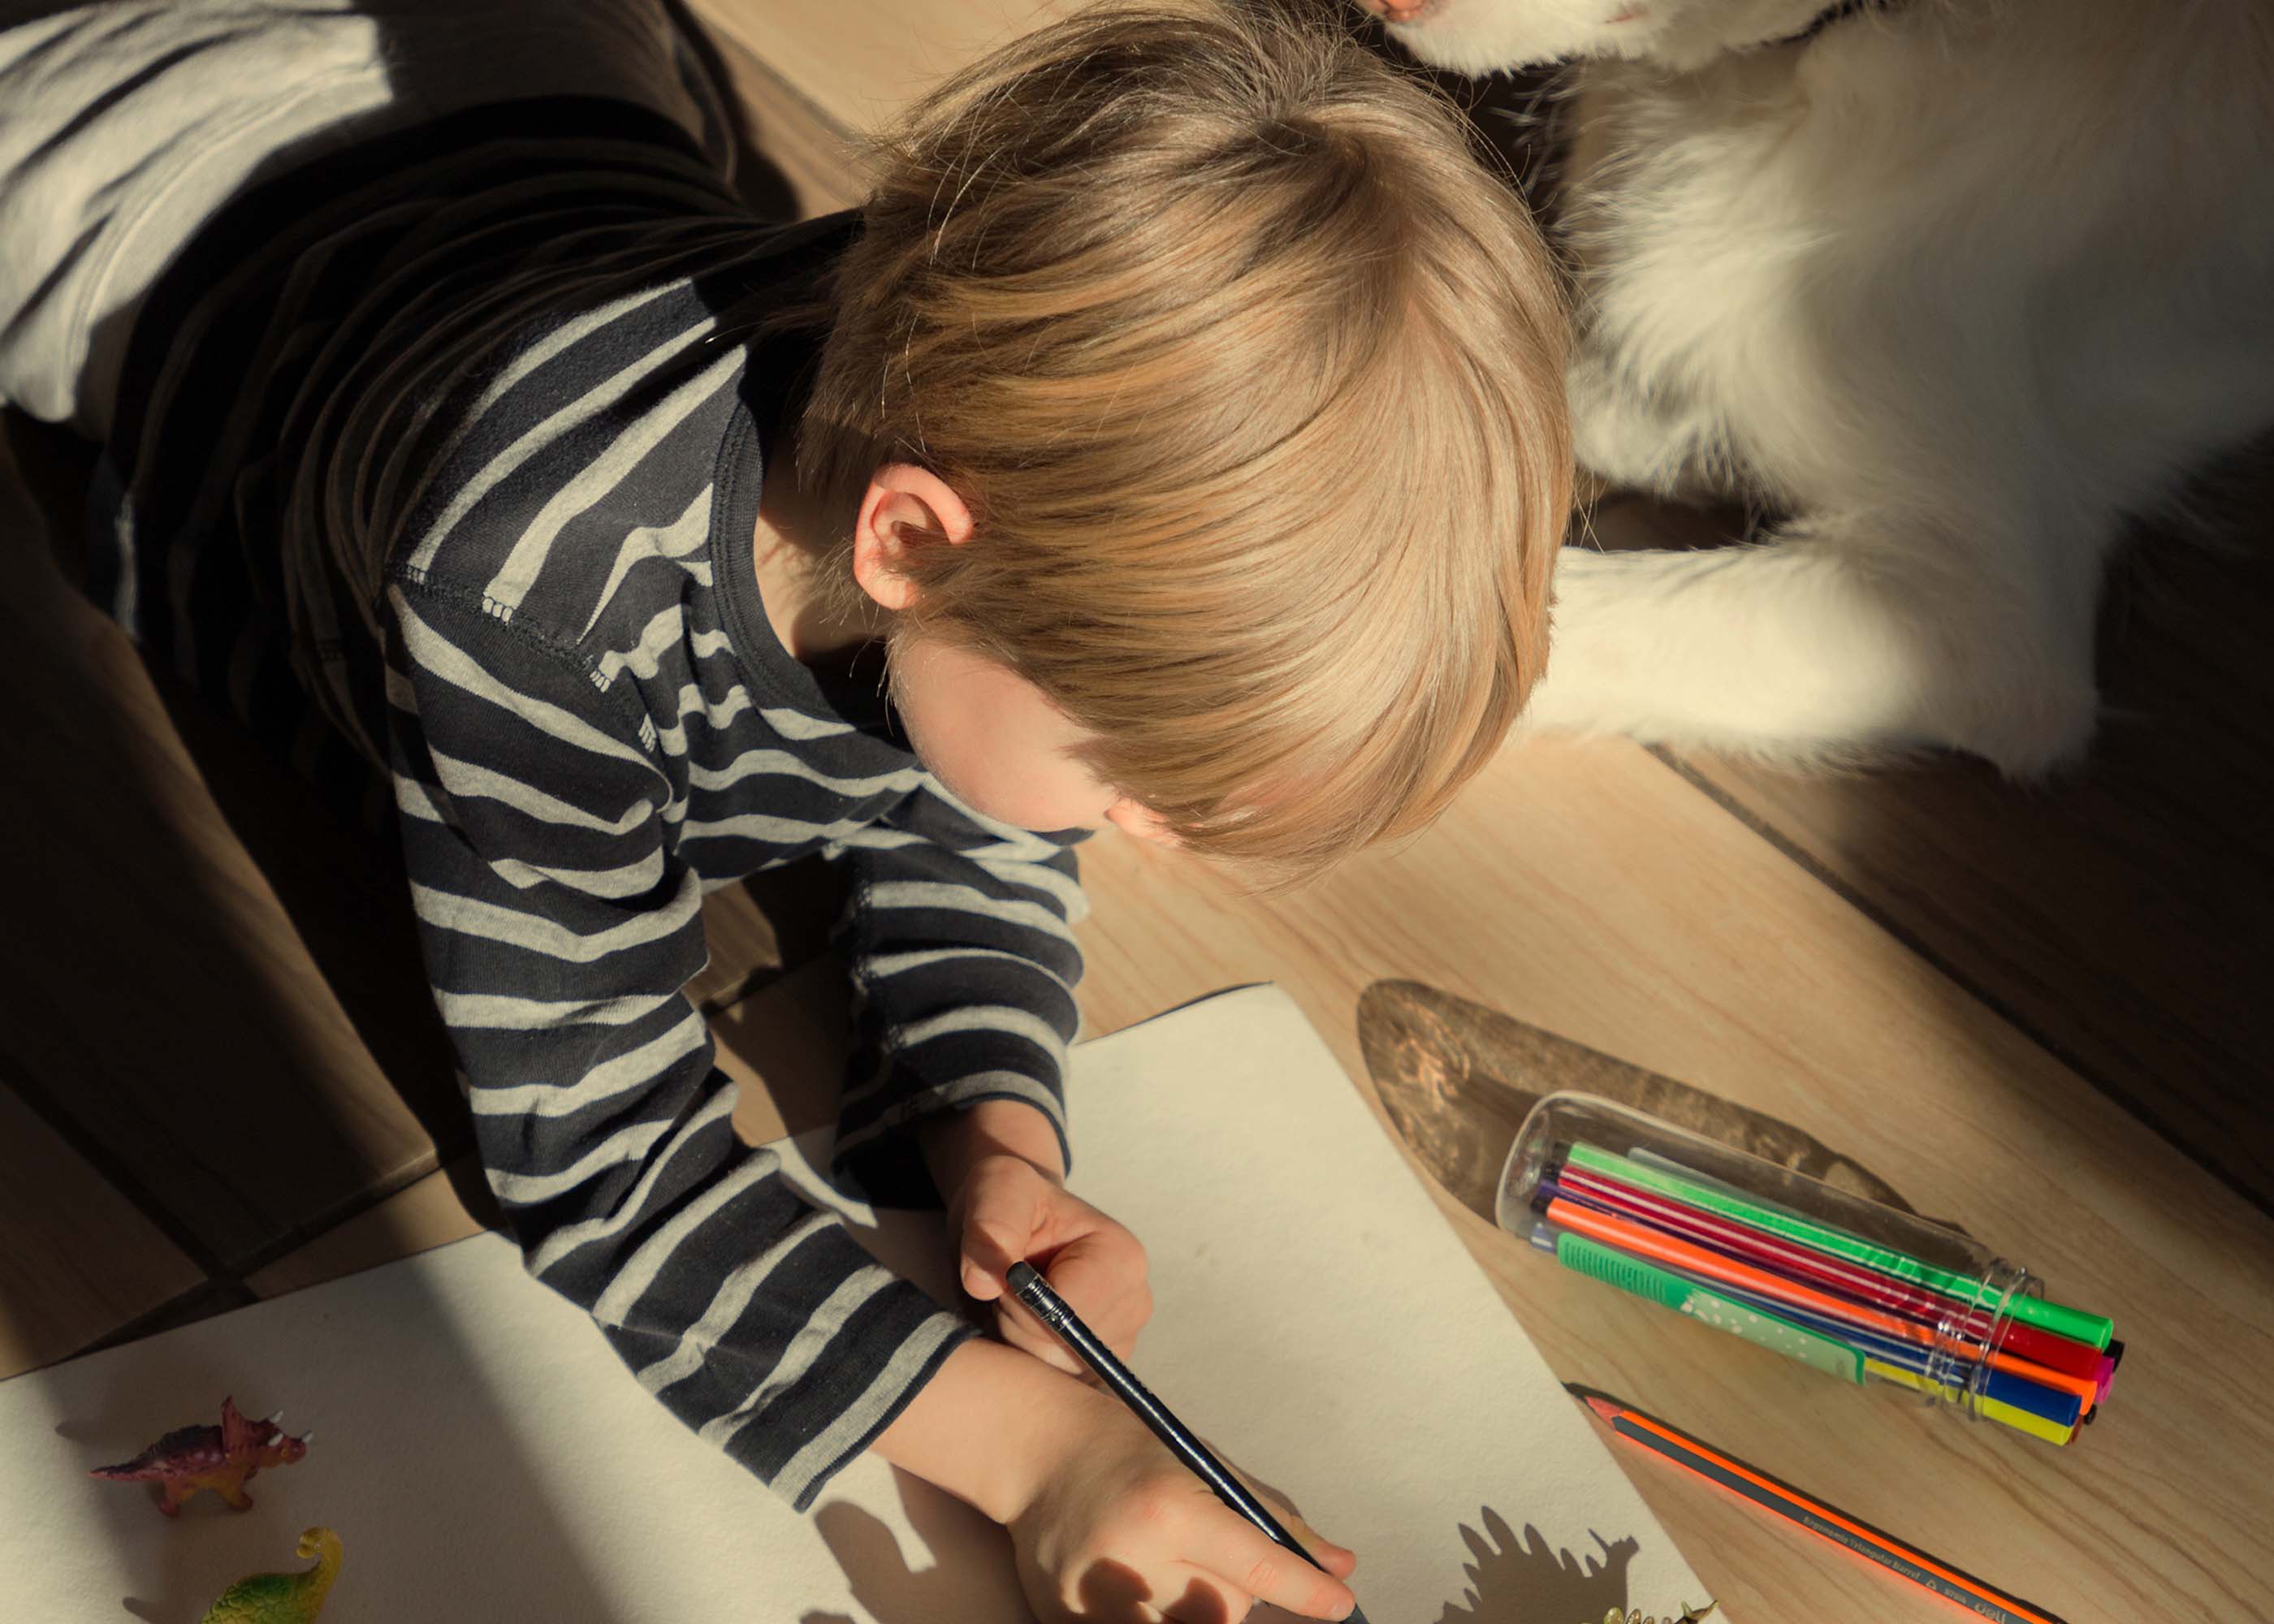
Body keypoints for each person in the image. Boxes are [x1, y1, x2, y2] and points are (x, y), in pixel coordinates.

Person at [0, 1, 1570, 1618]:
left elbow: (964, 797)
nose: (1131, 833)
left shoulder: (968, 406)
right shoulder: (535, 606)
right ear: (907, 547)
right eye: (1125, 772)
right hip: (144, 183)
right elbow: (597, 1158)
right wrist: (1037, 1453)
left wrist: (991, 1121)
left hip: (531, 83)